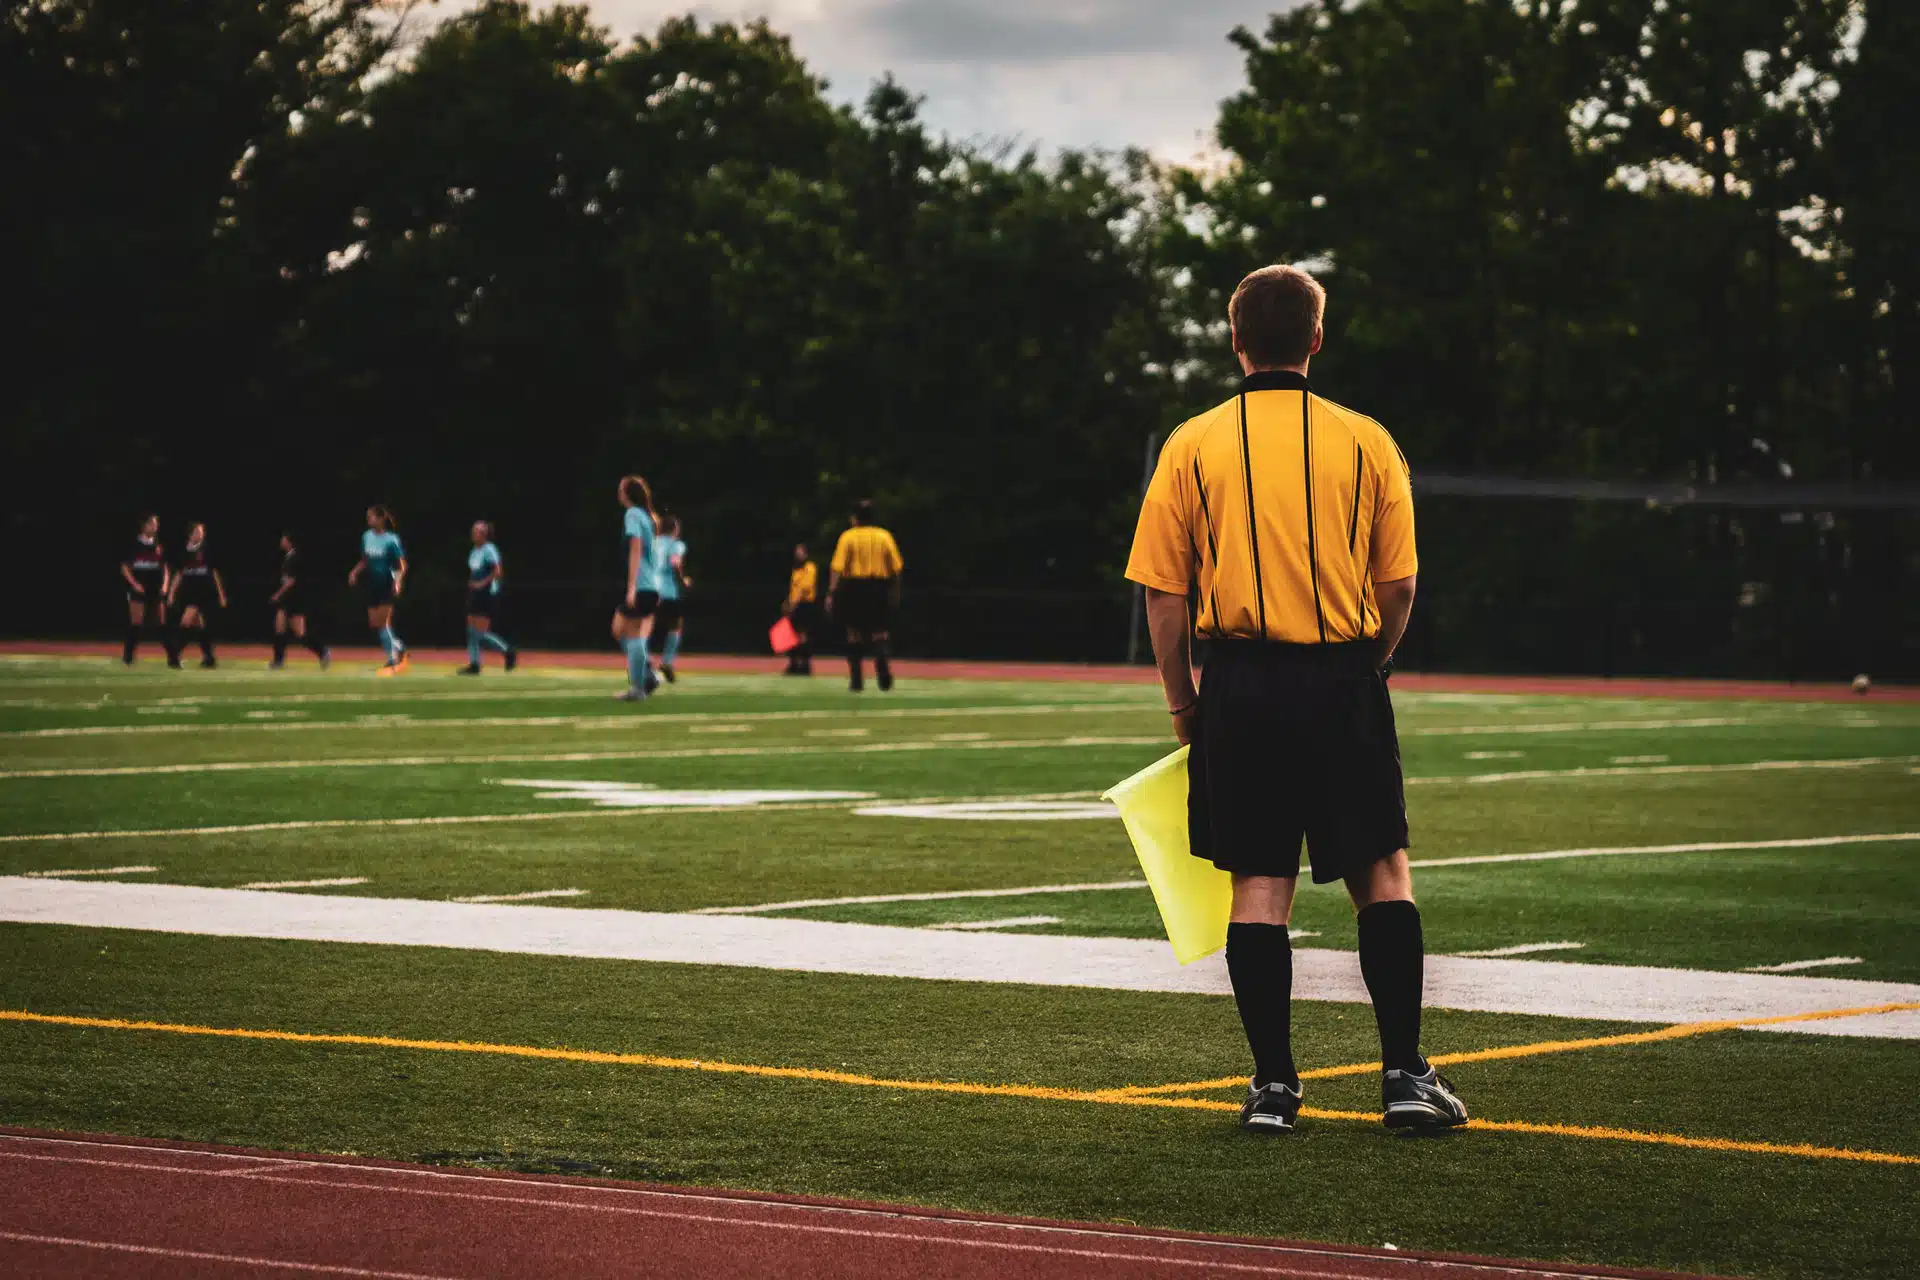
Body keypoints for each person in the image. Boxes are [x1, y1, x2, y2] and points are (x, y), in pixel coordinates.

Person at [1123, 263, 1466, 1135]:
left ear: (1236, 339)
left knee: (1259, 885)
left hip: (1239, 683)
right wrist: (1370, 665)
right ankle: (1403, 1077)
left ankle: (1274, 1088)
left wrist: (1185, 704)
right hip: (1344, 674)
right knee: (1381, 873)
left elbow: (1164, 597)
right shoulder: (1367, 440)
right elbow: (1401, 587)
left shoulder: (1192, 442)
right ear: (1318, 338)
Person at [827, 500, 903, 693]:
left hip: (854, 586)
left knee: (854, 633)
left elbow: (837, 568)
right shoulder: (884, 536)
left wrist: (832, 592)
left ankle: (856, 680)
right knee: (880, 632)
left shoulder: (848, 537)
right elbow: (896, 568)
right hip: (879, 586)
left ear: (855, 517)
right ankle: (883, 669)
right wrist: (895, 591)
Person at [612, 475, 661, 702]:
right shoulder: (648, 516)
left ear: (628, 493)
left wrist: (631, 587)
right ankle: (647, 674)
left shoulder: (632, 514)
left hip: (641, 584)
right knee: (624, 631)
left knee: (627, 632)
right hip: (651, 584)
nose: (618, 492)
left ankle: (639, 687)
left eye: (621, 489)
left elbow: (636, 549)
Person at [347, 505, 409, 676]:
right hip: (371, 584)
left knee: (384, 623)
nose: (369, 520)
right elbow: (365, 560)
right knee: (374, 623)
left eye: (372, 516)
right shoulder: (366, 537)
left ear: (381, 519)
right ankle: (399, 647)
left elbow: (402, 565)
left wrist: (398, 582)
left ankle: (392, 658)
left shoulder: (391, 539)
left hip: (386, 584)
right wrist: (354, 572)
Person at [459, 520, 518, 676]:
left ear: (485, 534)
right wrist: (472, 584)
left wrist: (481, 584)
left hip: (486, 593)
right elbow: (474, 571)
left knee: (480, 633)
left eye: (477, 531)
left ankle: (507, 650)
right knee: (471, 631)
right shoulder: (474, 551)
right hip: (475, 593)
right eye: (474, 530)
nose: (474, 533)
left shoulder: (489, 549)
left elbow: (497, 571)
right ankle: (475, 664)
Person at [166, 521, 227, 668]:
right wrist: (171, 593)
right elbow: (179, 574)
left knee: (186, 621)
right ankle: (209, 658)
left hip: (204, 592)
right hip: (189, 592)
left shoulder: (206, 550)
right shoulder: (183, 551)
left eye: (202, 532)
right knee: (199, 625)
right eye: (198, 532)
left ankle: (174, 655)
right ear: (191, 534)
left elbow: (214, 573)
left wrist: (221, 594)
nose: (201, 534)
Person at [269, 533, 330, 669]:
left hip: (295, 599)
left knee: (301, 633)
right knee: (279, 628)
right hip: (287, 600)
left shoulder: (295, 557)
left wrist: (278, 594)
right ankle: (278, 661)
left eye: (283, 539)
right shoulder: (287, 557)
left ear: (289, 542)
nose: (281, 541)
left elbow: (291, 581)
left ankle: (322, 651)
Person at [118, 514, 170, 666]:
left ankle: (173, 658)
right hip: (139, 589)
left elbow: (165, 568)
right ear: (144, 526)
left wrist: (165, 585)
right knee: (136, 624)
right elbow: (124, 568)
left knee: (162, 624)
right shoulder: (134, 544)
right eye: (152, 524)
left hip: (156, 589)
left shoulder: (159, 545)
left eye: (156, 524)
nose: (155, 527)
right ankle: (128, 657)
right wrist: (135, 584)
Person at [782, 543, 818, 676]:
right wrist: (787, 602)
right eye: (797, 552)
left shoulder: (810, 568)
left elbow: (805, 587)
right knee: (791, 635)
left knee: (803, 635)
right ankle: (793, 664)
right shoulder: (795, 570)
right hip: (794, 604)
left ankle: (805, 665)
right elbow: (794, 589)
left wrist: (794, 603)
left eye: (801, 552)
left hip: (805, 605)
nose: (798, 554)